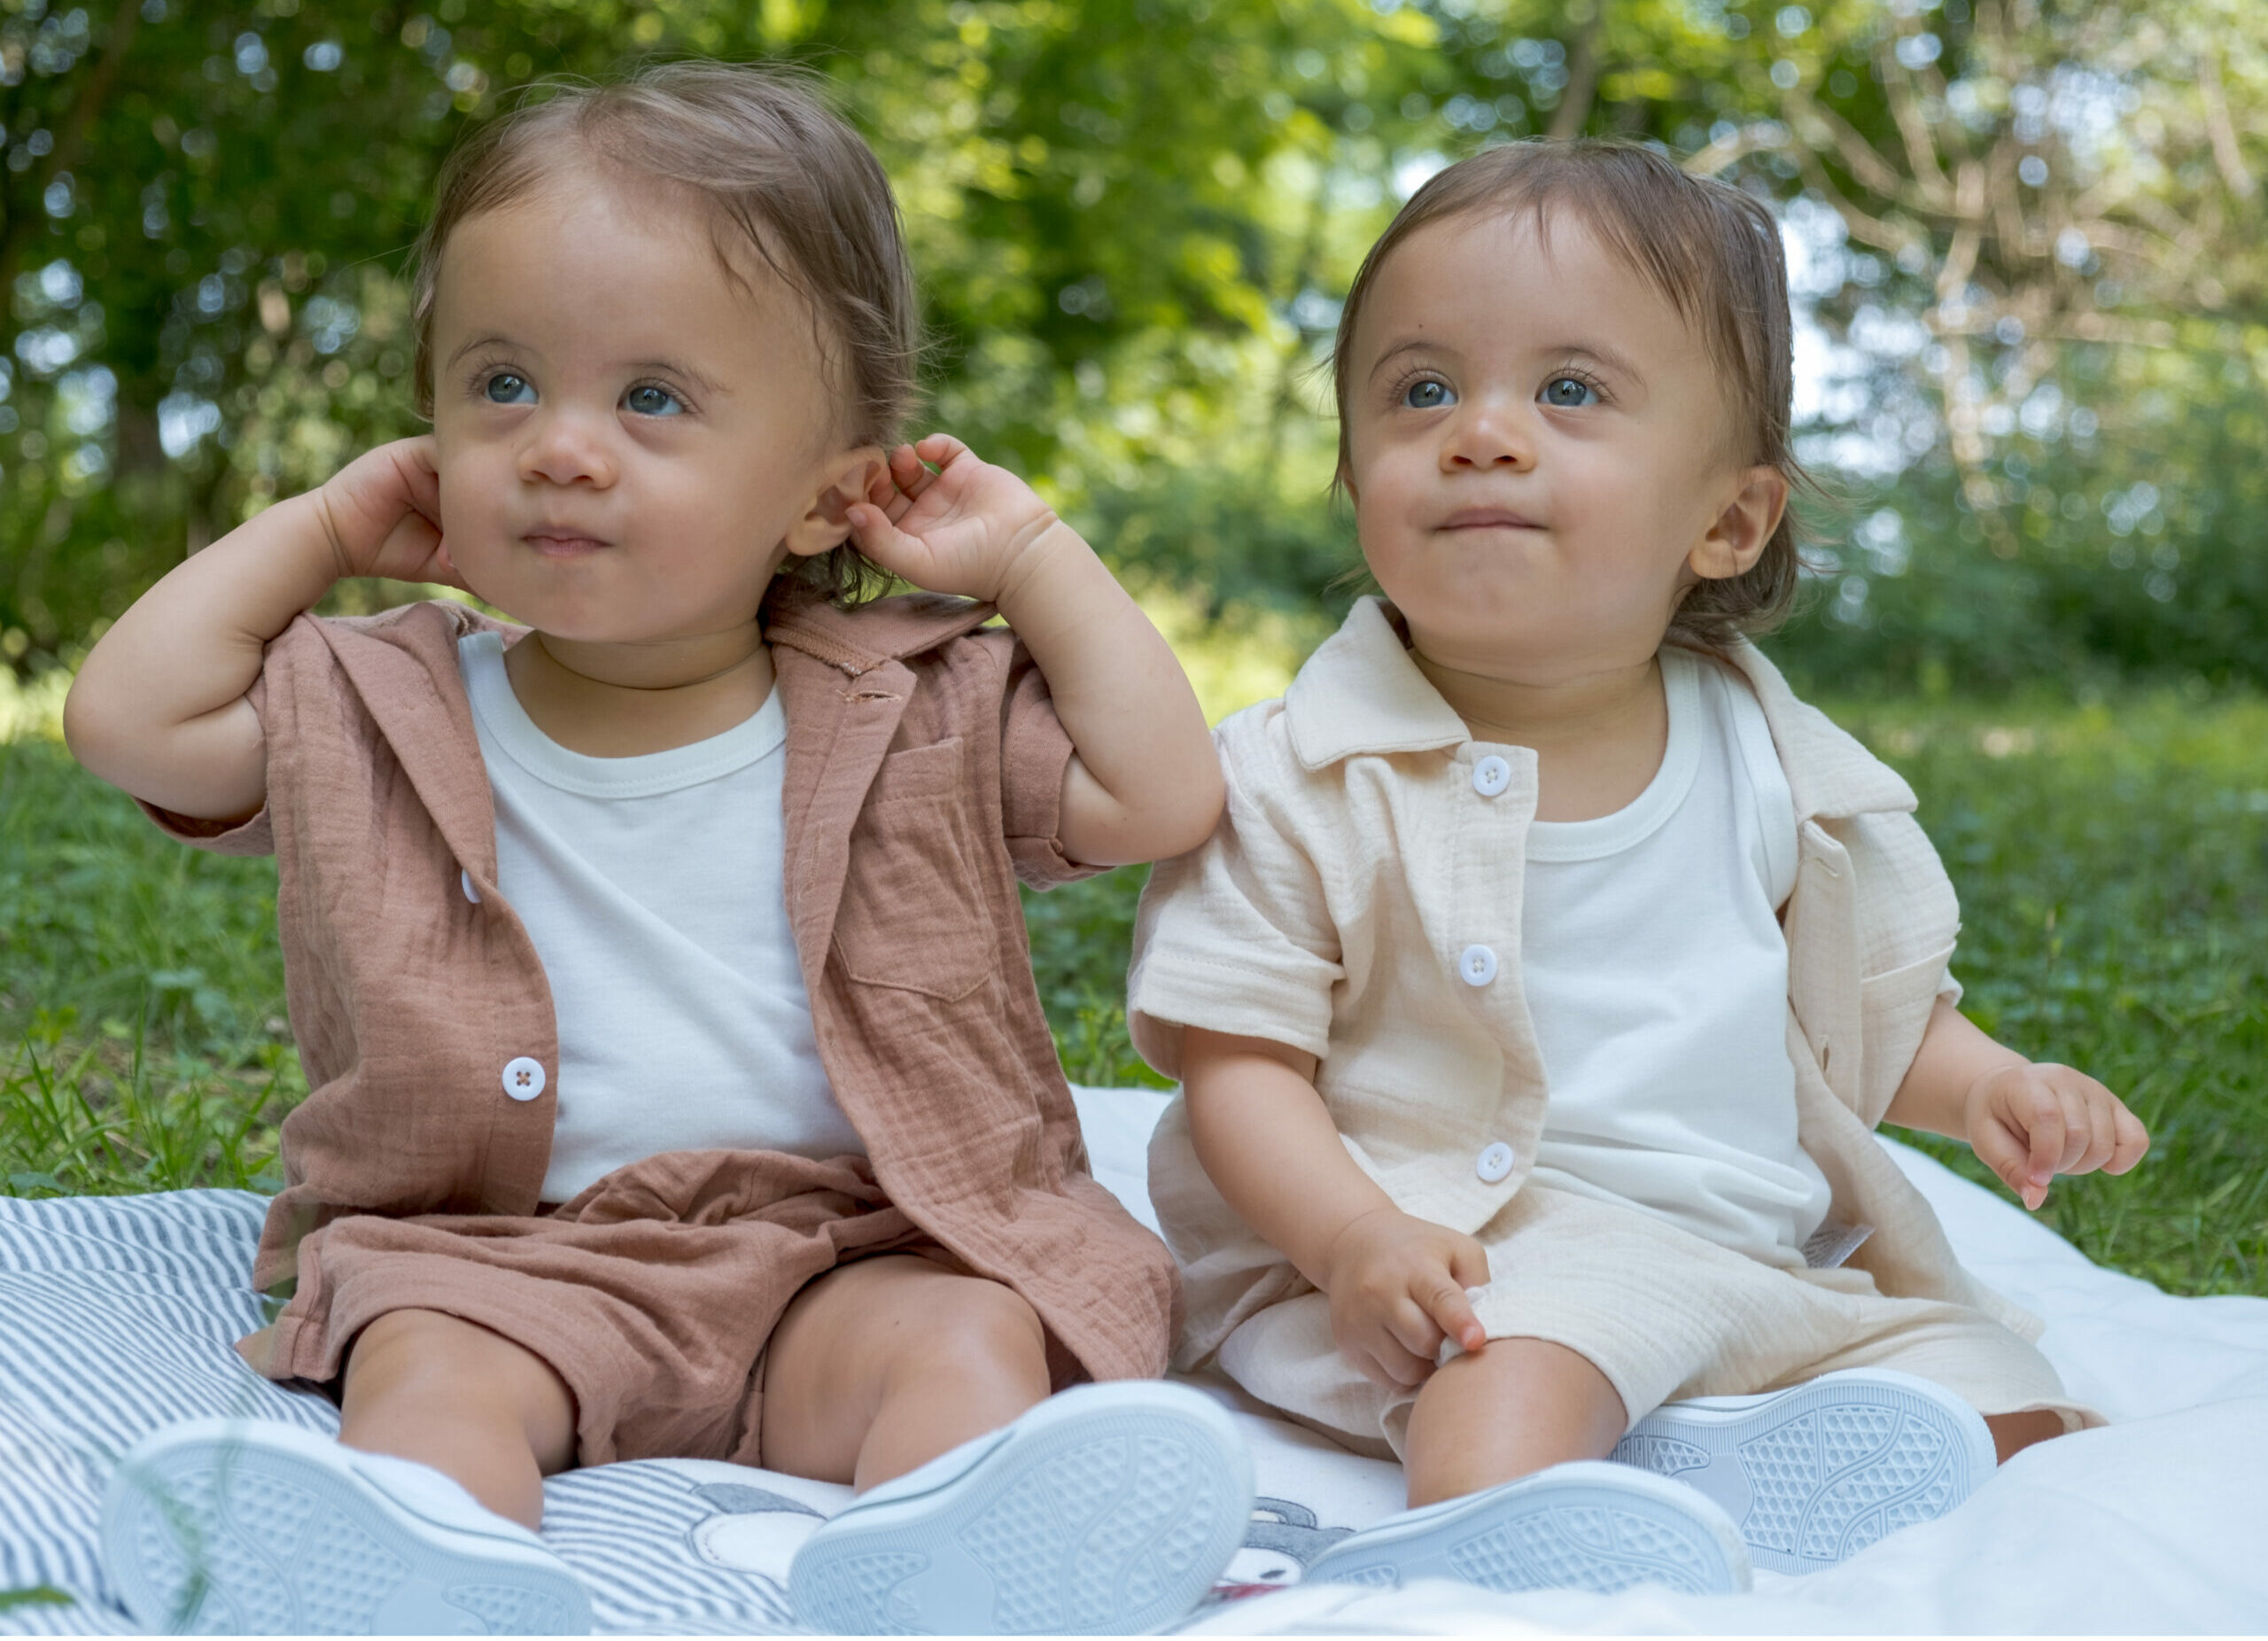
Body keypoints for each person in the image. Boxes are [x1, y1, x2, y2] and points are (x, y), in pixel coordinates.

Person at [70, 62, 1252, 1637]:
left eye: (651, 400)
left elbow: (1161, 794)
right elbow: (126, 721)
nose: (560, 447)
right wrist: (333, 526)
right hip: (506, 1259)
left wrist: (1032, 558)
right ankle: (431, 1573)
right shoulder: (383, 702)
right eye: (500, 387)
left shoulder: (914, 706)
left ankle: (954, 1573)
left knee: (971, 1346)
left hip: (843, 1248)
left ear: (831, 491)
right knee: (427, 1374)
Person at [1126, 140, 2148, 1598]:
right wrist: (1354, 1235)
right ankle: (1504, 1549)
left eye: (1569, 391)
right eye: (1422, 391)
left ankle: (1707, 1455)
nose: (1480, 433)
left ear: (1727, 521)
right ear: (1356, 476)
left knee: (2016, 1410)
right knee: (1506, 1394)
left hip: (1766, 1262)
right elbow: (1236, 1063)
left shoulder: (1773, 762)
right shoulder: (1302, 771)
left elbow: (1874, 1011)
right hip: (1483, 1259)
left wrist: (1986, 1085)